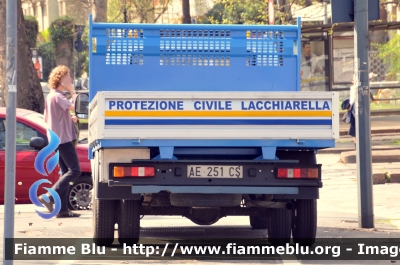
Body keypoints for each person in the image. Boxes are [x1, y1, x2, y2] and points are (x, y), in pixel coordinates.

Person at [39, 65, 81, 218]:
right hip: (63, 139)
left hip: (55, 140)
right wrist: (73, 91)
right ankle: (48, 197)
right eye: (68, 77)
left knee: (65, 172)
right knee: (75, 171)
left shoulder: (50, 96)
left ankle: (62, 210)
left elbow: (49, 117)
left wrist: (68, 119)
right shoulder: (59, 96)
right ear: (61, 80)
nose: (70, 80)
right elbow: (77, 106)